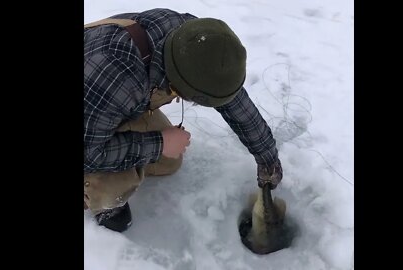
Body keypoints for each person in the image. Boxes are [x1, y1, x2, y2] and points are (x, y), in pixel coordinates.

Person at [84, 8, 283, 232]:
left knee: (169, 160)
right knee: (115, 189)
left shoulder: (197, 42)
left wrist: (267, 158)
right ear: (180, 87)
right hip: (94, 104)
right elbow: (89, 153)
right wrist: (160, 143)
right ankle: (96, 194)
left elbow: (234, 103)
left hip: (103, 103)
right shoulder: (117, 76)